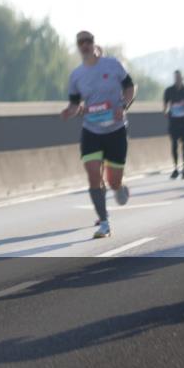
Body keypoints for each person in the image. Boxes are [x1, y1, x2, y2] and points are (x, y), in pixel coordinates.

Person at [60, 32, 136, 238]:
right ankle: (104, 223)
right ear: (78, 47)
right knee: (93, 175)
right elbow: (75, 103)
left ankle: (119, 187)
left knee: (113, 181)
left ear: (94, 44)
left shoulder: (112, 65)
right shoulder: (76, 75)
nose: (84, 45)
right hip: (91, 131)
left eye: (88, 41)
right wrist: (70, 111)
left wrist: (124, 105)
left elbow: (129, 87)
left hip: (116, 130)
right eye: (80, 43)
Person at [163, 70, 184, 179]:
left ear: (182, 78)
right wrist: (167, 111)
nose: (177, 79)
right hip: (174, 121)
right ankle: (175, 168)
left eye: (179, 77)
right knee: (174, 144)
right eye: (175, 77)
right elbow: (165, 106)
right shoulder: (169, 91)